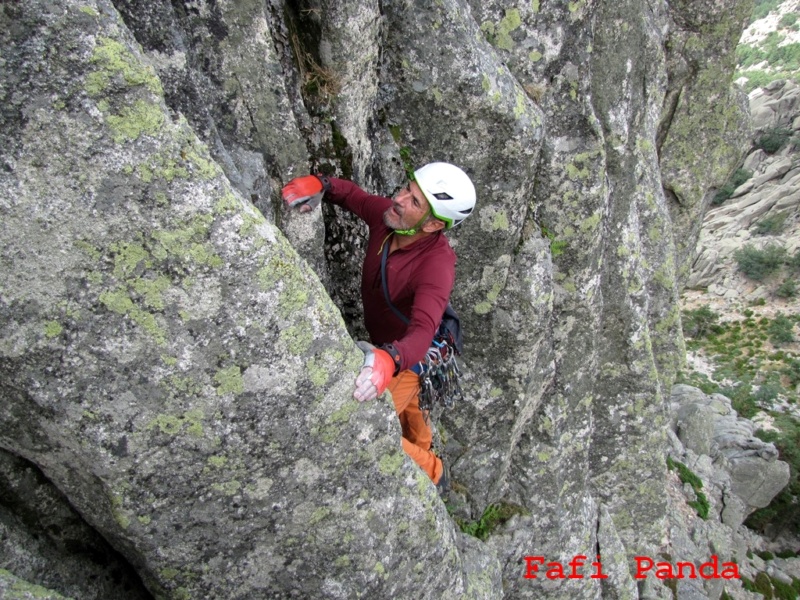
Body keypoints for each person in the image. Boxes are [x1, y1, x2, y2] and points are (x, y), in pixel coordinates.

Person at [282, 163, 476, 488]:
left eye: (414, 201)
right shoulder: (390, 220)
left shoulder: (436, 266)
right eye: (406, 188)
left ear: (432, 224)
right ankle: (424, 445)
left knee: (366, 425)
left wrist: (390, 359)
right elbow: (354, 196)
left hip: (413, 354)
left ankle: (433, 472)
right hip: (396, 346)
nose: (398, 199)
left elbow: (422, 332)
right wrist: (322, 184)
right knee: (413, 409)